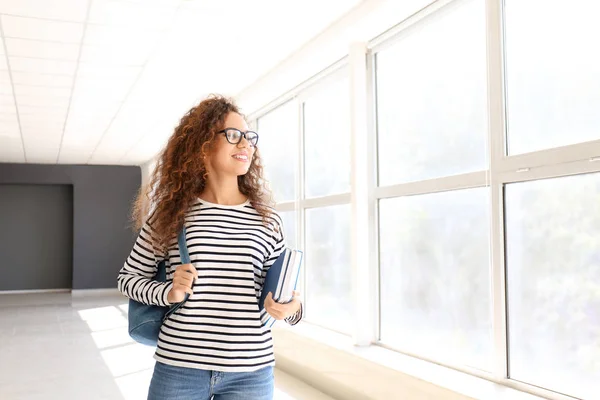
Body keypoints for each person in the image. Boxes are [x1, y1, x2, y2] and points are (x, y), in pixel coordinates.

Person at [117, 94, 303, 400]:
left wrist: (292, 310)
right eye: (233, 135)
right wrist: (169, 292)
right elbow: (128, 279)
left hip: (251, 372)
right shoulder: (170, 216)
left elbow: (287, 298)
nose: (245, 144)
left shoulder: (267, 221)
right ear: (202, 145)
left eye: (249, 137)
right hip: (179, 368)